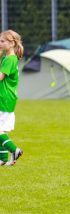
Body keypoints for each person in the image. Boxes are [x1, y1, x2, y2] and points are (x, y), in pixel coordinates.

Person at [0, 30, 24, 166]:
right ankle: (3, 159)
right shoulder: (8, 58)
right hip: (6, 97)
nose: (0, 43)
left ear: (11, 43)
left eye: (2, 41)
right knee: (1, 129)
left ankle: (15, 150)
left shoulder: (9, 59)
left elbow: (0, 77)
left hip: (4, 98)